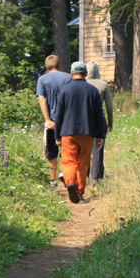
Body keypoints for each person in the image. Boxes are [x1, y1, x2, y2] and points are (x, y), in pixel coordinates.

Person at [54, 61, 107, 203]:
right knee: (83, 162)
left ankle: (70, 181)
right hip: (88, 132)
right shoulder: (92, 90)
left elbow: (59, 115)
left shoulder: (65, 90)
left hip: (68, 132)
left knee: (68, 160)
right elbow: (99, 114)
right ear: (85, 74)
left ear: (72, 73)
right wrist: (100, 134)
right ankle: (79, 192)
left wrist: (57, 135)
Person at [36, 54, 72, 186]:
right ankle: (66, 176)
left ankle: (53, 181)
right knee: (66, 149)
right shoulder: (68, 77)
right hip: (67, 121)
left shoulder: (42, 79)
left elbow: (41, 99)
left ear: (46, 67)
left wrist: (47, 119)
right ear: (59, 65)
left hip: (51, 120)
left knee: (51, 152)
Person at [86, 61, 114, 183]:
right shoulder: (103, 85)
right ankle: (96, 179)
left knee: (84, 149)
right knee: (98, 149)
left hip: (84, 120)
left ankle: (84, 175)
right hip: (99, 120)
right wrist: (110, 123)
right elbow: (109, 106)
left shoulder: (82, 84)